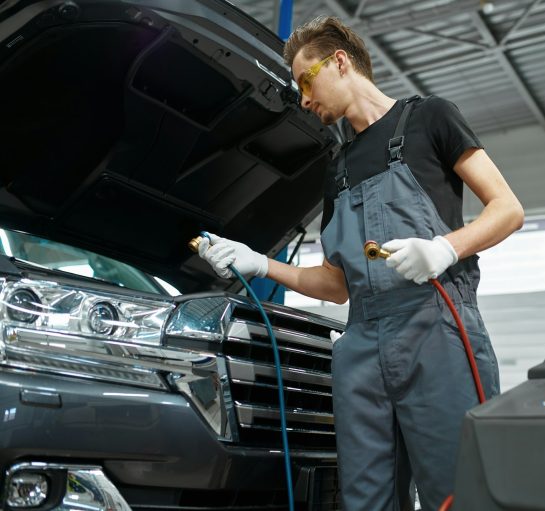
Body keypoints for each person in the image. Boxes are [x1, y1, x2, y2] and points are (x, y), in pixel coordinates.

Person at [197, 15, 524, 511]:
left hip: (436, 331)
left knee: (458, 492)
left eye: (306, 81)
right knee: (364, 500)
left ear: (341, 62)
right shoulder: (338, 168)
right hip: (362, 346)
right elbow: (335, 284)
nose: (303, 101)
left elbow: (508, 209)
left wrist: (444, 249)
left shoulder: (429, 118)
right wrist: (261, 264)